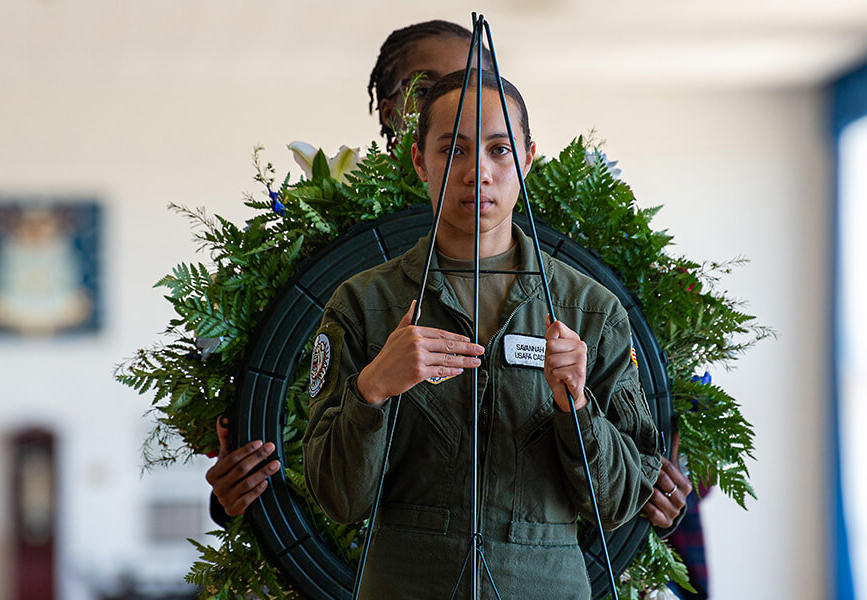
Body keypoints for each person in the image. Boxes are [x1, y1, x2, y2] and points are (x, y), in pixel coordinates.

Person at [209, 17, 690, 541]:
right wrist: (235, 498)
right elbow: (286, 430)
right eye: (432, 88)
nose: (462, 99)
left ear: (526, 157)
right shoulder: (343, 269)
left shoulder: (581, 292)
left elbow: (636, 459)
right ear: (398, 120)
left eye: (476, 80)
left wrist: (660, 497)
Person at [303, 69, 663, 599]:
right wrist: (372, 389)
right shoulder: (363, 305)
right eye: (454, 151)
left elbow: (621, 500)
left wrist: (577, 408)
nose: (479, 173)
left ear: (529, 158)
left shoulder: (590, 312)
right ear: (419, 160)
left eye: (499, 150)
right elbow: (337, 498)